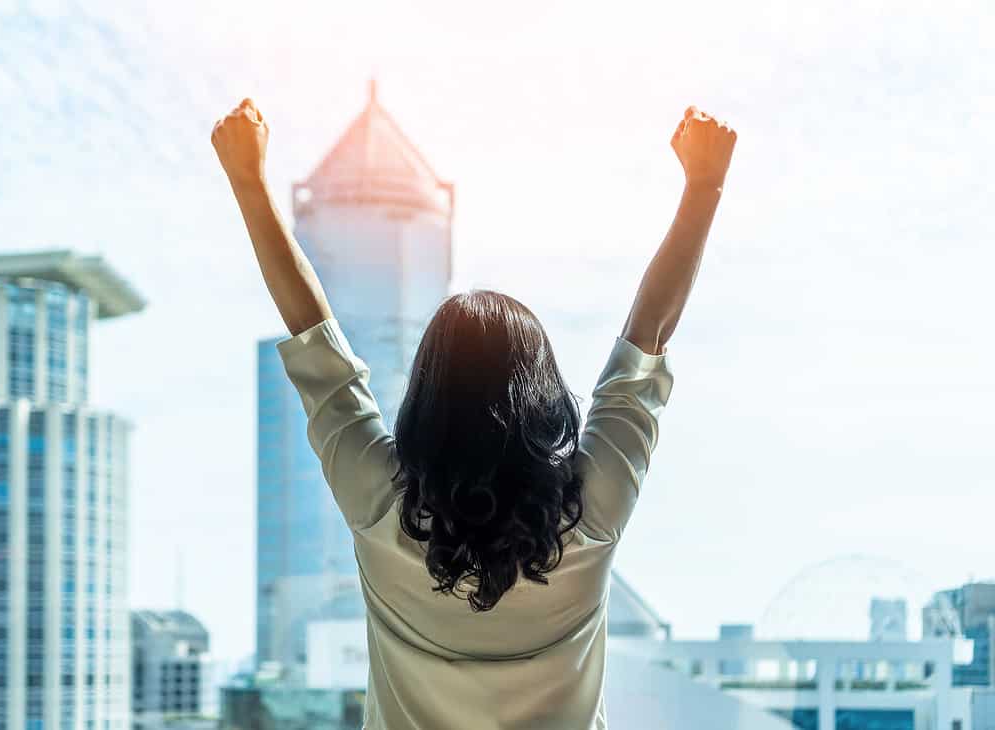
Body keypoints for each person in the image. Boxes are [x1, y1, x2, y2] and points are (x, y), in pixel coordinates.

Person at [212, 97, 736, 730]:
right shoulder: (591, 509)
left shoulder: (380, 503)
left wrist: (248, 180)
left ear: (426, 397)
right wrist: (704, 185)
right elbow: (647, 335)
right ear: (543, 396)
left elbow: (313, 333)